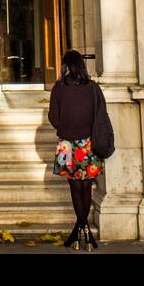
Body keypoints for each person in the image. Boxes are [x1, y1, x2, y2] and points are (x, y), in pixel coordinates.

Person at [48, 50, 104, 250]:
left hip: (67, 144)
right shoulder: (92, 88)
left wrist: (66, 126)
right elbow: (100, 115)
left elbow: (53, 118)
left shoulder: (59, 88)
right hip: (88, 143)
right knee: (86, 186)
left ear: (65, 66)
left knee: (74, 185)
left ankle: (80, 229)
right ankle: (85, 230)